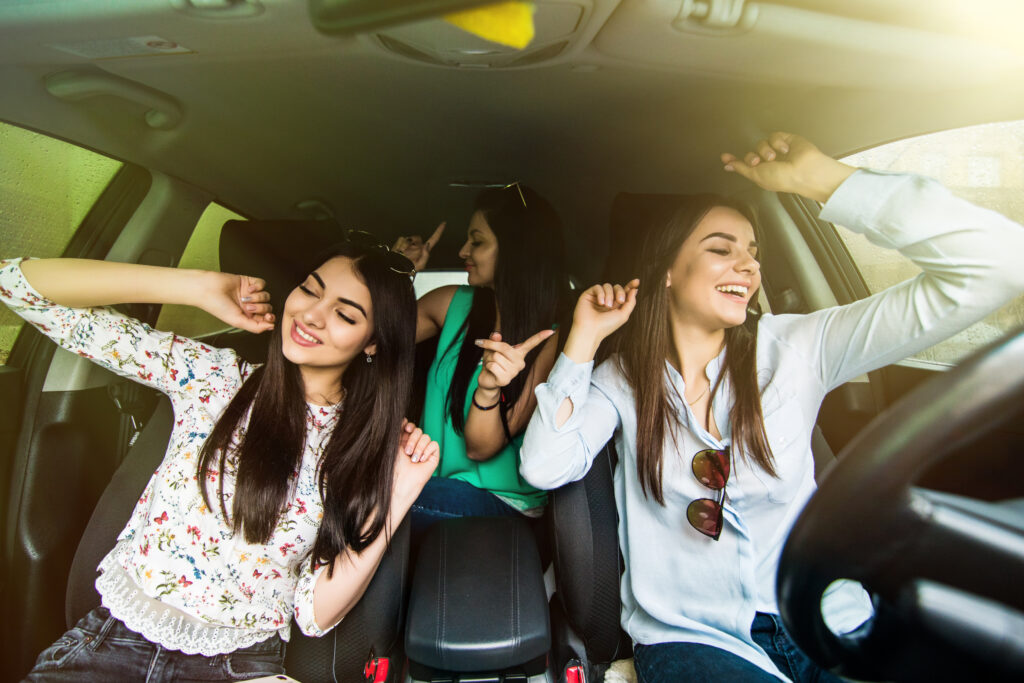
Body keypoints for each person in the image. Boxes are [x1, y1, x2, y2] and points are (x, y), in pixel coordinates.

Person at [519, 132, 1024, 682]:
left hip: (826, 618)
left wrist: (827, 182)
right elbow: (545, 465)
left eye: (753, 253)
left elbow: (998, 267)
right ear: (667, 270)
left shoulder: (800, 346)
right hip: (695, 636)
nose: (748, 266)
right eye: (721, 248)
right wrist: (583, 339)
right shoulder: (623, 380)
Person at [4, 239, 440, 681]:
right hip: (110, 646)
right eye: (310, 290)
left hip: (239, 667)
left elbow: (314, 615)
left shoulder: (361, 448)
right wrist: (197, 287)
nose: (311, 315)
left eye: (345, 314)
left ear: (373, 343)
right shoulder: (211, 377)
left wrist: (399, 492)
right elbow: (17, 285)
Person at [394, 184, 572, 537]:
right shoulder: (451, 304)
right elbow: (368, 339)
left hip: (505, 505)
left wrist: (490, 389)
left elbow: (480, 448)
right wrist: (397, 271)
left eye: (477, 241)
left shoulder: (551, 339)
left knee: (376, 496)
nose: (463, 251)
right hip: (437, 487)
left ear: (515, 251)